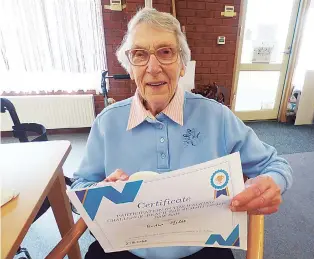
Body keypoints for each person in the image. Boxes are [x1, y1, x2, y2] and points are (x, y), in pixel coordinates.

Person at [72, 7, 293, 259]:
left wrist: (271, 185)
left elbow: (274, 164)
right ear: (130, 67)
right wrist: (99, 191)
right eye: (140, 55)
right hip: (125, 248)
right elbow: (80, 187)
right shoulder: (107, 123)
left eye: (165, 52)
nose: (153, 67)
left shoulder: (216, 116)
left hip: (202, 248)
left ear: (182, 65)